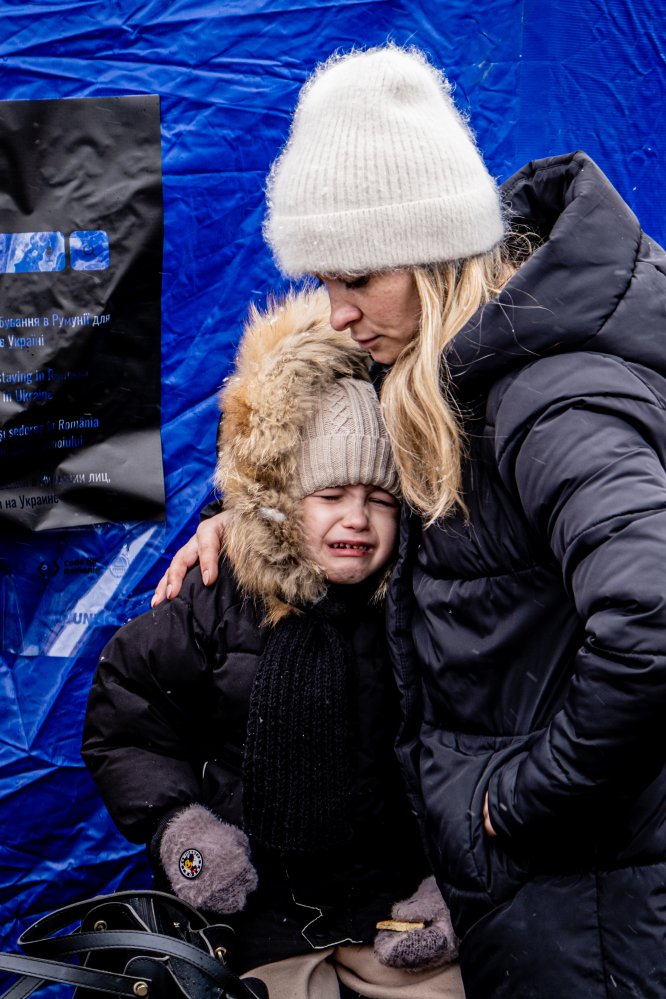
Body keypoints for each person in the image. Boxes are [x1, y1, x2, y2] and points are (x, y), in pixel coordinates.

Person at [153, 44, 666, 998]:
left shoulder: (550, 395)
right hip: (538, 904)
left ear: (433, 256)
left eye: (355, 278)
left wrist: (511, 804)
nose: (337, 314)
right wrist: (246, 517)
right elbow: (312, 432)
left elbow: (654, 618)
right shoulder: (449, 374)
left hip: (598, 909)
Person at [82, 288, 463, 999]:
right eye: (330, 494)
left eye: (379, 499)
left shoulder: (420, 603)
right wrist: (184, 833)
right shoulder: (219, 593)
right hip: (253, 916)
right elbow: (126, 718)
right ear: (284, 499)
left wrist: (453, 883)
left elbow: (471, 739)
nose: (356, 518)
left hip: (392, 913)